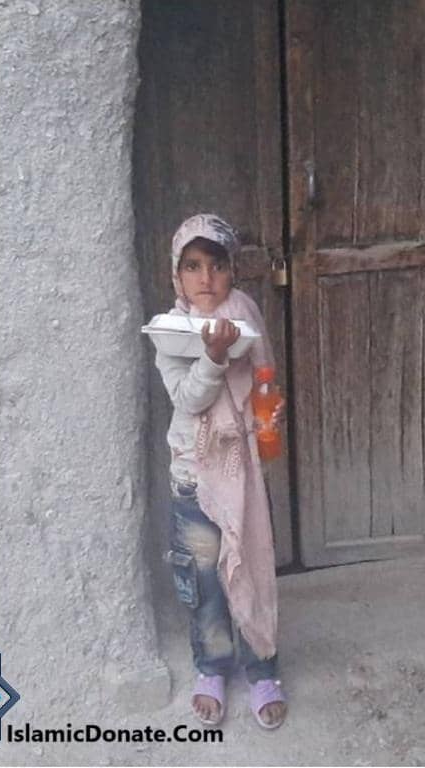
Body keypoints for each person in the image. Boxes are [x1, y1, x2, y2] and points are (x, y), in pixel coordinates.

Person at [154, 214, 288, 730]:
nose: (205, 278)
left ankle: (262, 669)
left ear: (232, 270)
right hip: (194, 477)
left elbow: (263, 379)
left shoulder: (245, 316)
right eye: (192, 266)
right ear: (177, 275)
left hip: (241, 471)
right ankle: (212, 667)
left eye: (216, 265)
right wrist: (212, 357)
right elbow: (188, 399)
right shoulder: (171, 331)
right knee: (205, 581)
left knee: (251, 567)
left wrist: (269, 410)